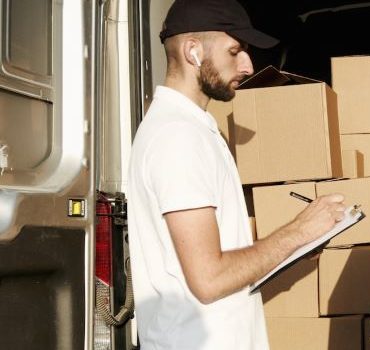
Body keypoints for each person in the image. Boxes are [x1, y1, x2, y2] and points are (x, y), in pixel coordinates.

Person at [127, 0, 346, 349]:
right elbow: (209, 279)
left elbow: (217, 251)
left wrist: (294, 245)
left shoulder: (194, 128)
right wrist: (297, 232)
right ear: (193, 51)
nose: (247, 65)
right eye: (235, 51)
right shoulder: (178, 138)